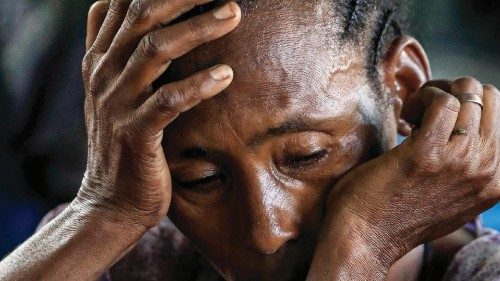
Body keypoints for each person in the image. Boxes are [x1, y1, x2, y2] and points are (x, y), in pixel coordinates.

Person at [0, 0, 499, 280]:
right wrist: (106, 210)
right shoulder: (129, 259)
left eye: (307, 156)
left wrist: (366, 241)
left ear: (403, 86)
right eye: (202, 179)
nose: (265, 230)